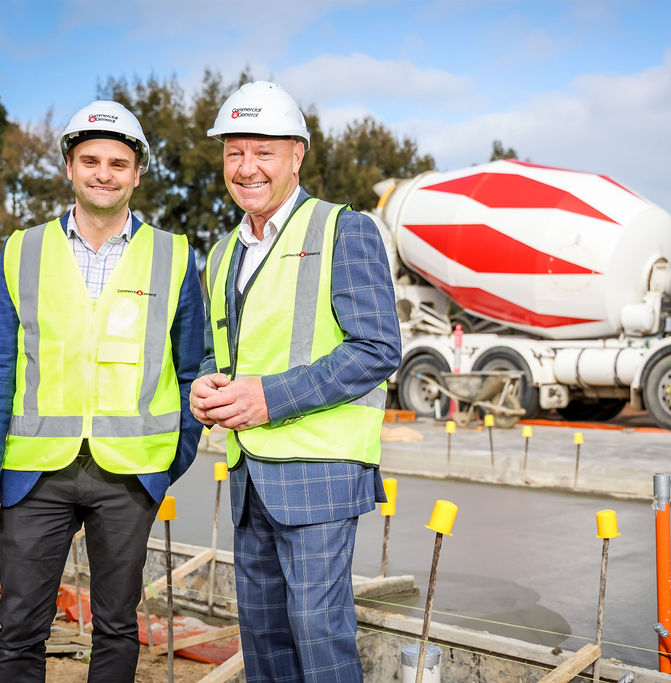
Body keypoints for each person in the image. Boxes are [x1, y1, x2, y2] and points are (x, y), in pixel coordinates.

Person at [0, 100, 204, 682]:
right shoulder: (24, 250)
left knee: (118, 626)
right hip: (34, 473)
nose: (104, 173)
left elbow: (192, 370)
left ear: (137, 173)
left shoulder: (174, 256)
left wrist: (172, 459)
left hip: (130, 475)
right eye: (90, 160)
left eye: (118, 163)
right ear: (69, 167)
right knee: (20, 626)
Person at [191, 81, 401, 682]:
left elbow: (378, 347)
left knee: (318, 635)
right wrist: (206, 388)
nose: (247, 167)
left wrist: (269, 396)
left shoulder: (343, 229)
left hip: (320, 473)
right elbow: (218, 354)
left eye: (264, 151)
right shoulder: (225, 251)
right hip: (250, 479)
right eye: (234, 152)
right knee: (264, 641)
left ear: (297, 155)